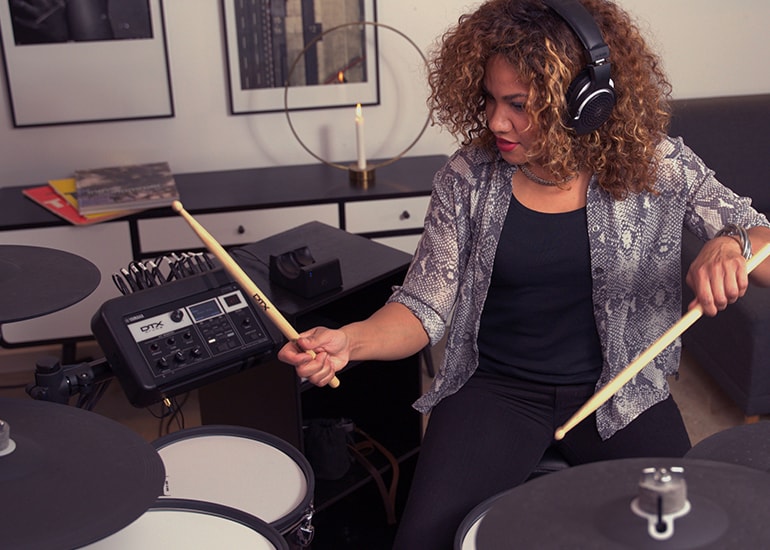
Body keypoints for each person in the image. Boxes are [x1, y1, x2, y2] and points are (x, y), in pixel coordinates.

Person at [278, 0, 770, 548]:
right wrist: (348, 340)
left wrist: (735, 242)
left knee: (695, 533)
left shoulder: (653, 167)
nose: (495, 121)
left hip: (623, 392)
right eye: (489, 99)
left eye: (518, 104)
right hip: (497, 390)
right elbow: (423, 306)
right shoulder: (467, 178)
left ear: (584, 101)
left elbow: (762, 239)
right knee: (425, 540)